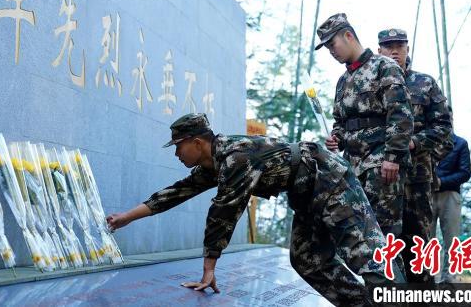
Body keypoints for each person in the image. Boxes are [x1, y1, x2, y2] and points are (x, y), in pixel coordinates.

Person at [106, 113, 404, 306]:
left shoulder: (236, 157)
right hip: (305, 193)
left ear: (197, 143)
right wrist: (124, 219)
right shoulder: (214, 163)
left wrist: (209, 268)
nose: (176, 153)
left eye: (178, 146)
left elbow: (224, 211)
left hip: (329, 179)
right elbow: (175, 193)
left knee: (370, 258)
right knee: (307, 259)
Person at [317, 14, 413, 240]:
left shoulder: (384, 67)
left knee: (384, 234)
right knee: (360, 235)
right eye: (328, 48)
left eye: (333, 44)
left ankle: (393, 276)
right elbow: (340, 121)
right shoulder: (343, 80)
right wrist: (335, 138)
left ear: (348, 36)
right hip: (352, 166)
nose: (332, 51)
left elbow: (400, 114)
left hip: (381, 163)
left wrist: (393, 157)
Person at [377, 29, 453, 284]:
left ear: (408, 49)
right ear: (379, 51)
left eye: (400, 45)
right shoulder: (369, 84)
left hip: (416, 179)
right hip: (379, 180)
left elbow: (444, 128)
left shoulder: (425, 83)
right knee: (383, 243)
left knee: (418, 243)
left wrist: (415, 143)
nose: (394, 51)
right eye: (388, 46)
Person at [433, 133, 471, 283]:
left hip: (450, 195)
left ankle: (449, 281)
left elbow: (465, 172)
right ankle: (425, 280)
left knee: (452, 240)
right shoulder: (426, 139)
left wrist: (441, 181)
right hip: (425, 194)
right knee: (423, 240)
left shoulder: (461, 143)